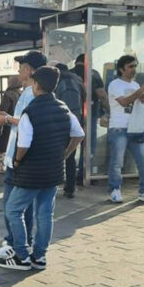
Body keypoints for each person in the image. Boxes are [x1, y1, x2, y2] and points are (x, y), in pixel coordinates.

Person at [0, 67, 85, 271]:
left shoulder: (31, 112)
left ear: (36, 85)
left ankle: (21, 255)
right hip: (53, 171)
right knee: (45, 214)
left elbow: (24, 144)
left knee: (13, 209)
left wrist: (17, 162)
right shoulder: (63, 108)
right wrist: (65, 153)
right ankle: (40, 256)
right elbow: (78, 134)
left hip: (31, 172)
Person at [0, 50, 45, 260]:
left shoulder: (33, 93)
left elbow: (28, 123)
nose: (18, 70)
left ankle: (16, 245)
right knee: (23, 206)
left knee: (12, 206)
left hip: (21, 158)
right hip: (18, 156)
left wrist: (6, 119)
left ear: (30, 70)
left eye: (21, 66)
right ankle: (22, 242)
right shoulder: (28, 91)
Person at [106, 55, 144, 204]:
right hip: (119, 127)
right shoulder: (115, 85)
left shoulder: (136, 85)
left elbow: (138, 101)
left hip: (136, 127)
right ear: (121, 69)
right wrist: (141, 90)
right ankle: (114, 190)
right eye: (130, 66)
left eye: (135, 66)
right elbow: (124, 102)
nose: (133, 69)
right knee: (117, 161)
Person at [72, 54, 108, 181]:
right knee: (88, 144)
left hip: (71, 113)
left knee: (70, 143)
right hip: (89, 113)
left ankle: (69, 175)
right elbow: (101, 94)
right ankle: (84, 174)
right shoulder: (93, 73)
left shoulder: (69, 74)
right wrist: (109, 111)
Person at [53, 63, 84, 198]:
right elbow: (86, 96)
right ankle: (70, 188)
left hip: (60, 122)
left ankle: (52, 184)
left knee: (55, 154)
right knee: (70, 156)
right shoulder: (78, 80)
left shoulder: (57, 81)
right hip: (75, 121)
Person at [0, 76, 22, 173]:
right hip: (16, 122)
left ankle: (1, 165)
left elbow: (3, 109)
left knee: (3, 145)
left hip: (7, 121)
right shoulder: (21, 93)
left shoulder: (8, 94)